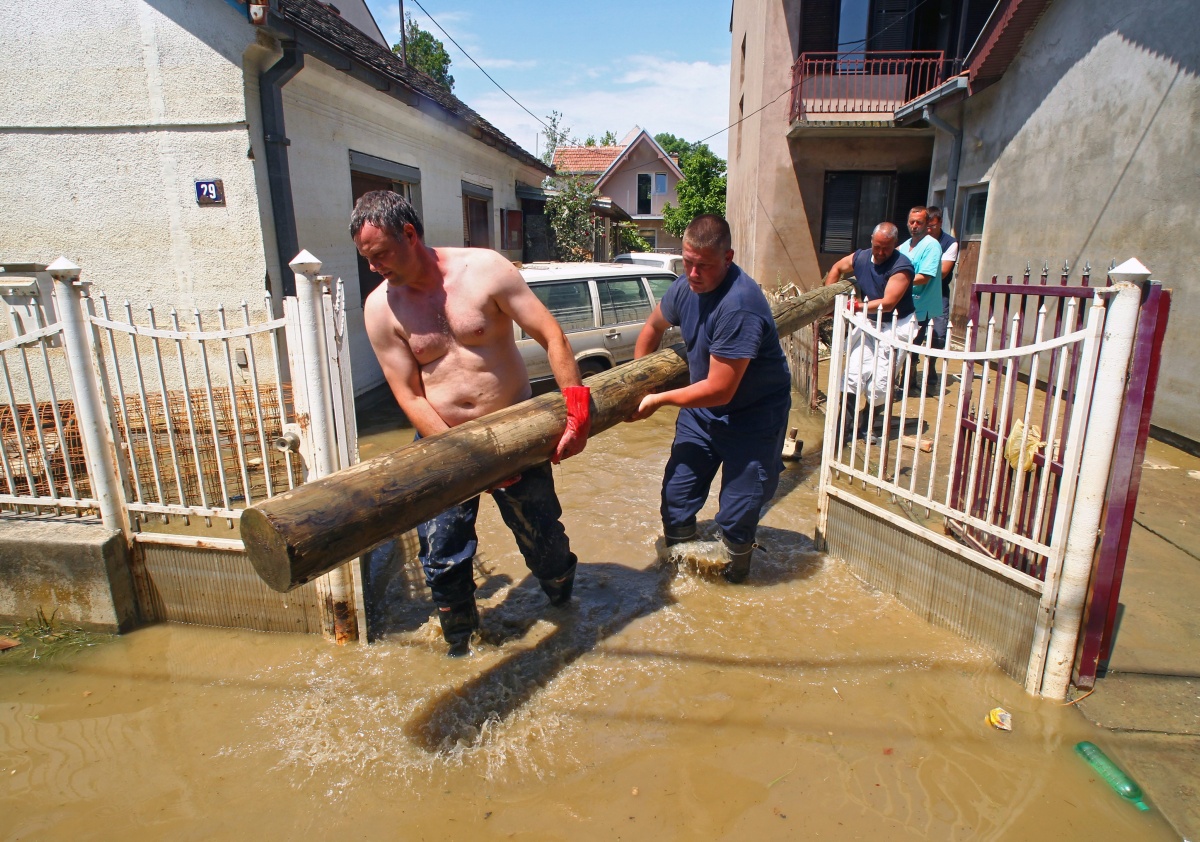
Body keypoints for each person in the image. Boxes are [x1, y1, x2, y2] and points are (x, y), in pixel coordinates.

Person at [350, 190, 591, 656]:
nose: (374, 267)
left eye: (380, 255)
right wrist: (465, 459)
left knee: (545, 541)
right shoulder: (381, 308)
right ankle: (460, 646)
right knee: (442, 557)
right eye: (367, 259)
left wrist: (576, 406)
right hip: (443, 444)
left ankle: (565, 611)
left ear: (409, 234)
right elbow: (408, 393)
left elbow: (551, 334)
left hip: (516, 431)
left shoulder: (485, 270)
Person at [628, 214, 791, 584]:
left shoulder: (740, 305)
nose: (693, 273)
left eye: (704, 265)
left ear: (728, 257)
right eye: (687, 262)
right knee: (676, 497)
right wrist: (639, 382)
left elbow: (721, 388)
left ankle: (735, 582)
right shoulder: (685, 287)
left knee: (738, 512)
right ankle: (678, 576)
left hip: (753, 416)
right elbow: (652, 328)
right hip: (702, 413)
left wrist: (659, 400)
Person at [822, 222, 917, 441]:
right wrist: (827, 299)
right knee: (854, 372)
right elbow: (836, 268)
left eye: (886, 248)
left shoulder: (902, 266)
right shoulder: (861, 257)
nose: (881, 252)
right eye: (877, 247)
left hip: (896, 324)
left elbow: (890, 303)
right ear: (871, 242)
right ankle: (843, 427)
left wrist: (856, 307)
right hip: (868, 321)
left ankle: (869, 424)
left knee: (881, 380)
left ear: (895, 244)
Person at [926, 205, 958, 354]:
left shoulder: (949, 243)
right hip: (918, 292)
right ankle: (911, 367)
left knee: (938, 336)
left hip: (939, 293)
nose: (929, 229)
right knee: (913, 334)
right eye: (926, 225)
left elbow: (943, 272)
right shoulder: (918, 240)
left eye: (932, 226)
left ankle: (931, 366)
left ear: (940, 222)